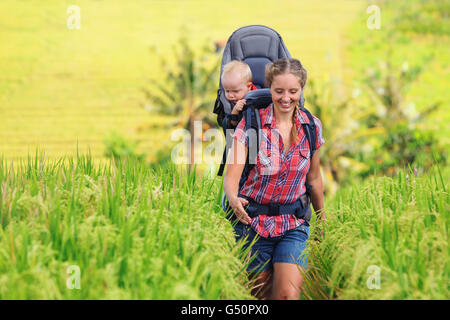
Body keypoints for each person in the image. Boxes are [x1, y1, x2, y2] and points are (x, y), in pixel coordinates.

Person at [223, 58, 325, 300]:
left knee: (287, 295)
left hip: (293, 223)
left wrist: (321, 219)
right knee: (259, 295)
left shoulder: (311, 126)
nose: (286, 98)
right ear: (269, 89)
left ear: (301, 90)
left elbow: (315, 179)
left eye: (293, 91)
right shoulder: (253, 124)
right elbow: (232, 176)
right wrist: (232, 197)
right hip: (253, 224)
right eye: (279, 91)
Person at [221, 60, 257, 126]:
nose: (231, 95)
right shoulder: (230, 104)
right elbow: (232, 125)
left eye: (235, 91)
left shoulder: (257, 96)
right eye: (227, 91)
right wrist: (235, 111)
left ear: (248, 87)